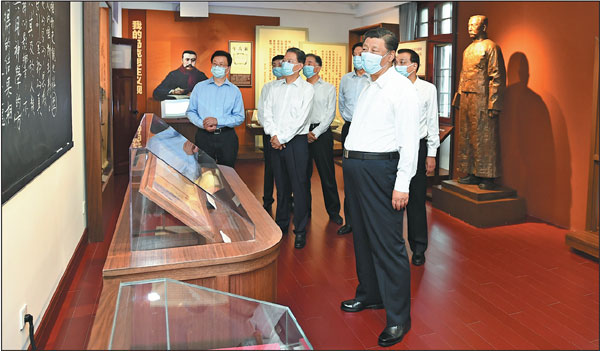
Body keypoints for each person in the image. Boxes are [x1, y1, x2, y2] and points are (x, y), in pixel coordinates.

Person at [340, 28, 419, 347]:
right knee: (361, 236)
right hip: (356, 167)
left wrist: (402, 184)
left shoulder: (401, 88)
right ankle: (370, 294)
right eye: (363, 50)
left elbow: (410, 141)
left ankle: (399, 318)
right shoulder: (369, 86)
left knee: (388, 243)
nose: (365, 55)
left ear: (389, 56)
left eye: (373, 50)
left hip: (381, 169)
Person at [262, 47, 314, 249]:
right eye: (284, 60)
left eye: (289, 61)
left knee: (299, 187)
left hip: (296, 143)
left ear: (299, 66)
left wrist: (282, 137)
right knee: (281, 186)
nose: (284, 64)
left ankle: (300, 230)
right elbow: (267, 114)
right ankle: (281, 224)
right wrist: (274, 135)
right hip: (276, 141)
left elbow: (300, 120)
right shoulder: (274, 88)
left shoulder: (306, 89)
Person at [395, 48, 440, 266]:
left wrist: (431, 153)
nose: (398, 66)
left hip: (418, 146)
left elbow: (432, 122)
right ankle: (394, 245)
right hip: (393, 147)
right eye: (396, 61)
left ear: (414, 66)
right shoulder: (392, 87)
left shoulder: (427, 89)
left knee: (415, 198)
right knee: (392, 197)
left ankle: (419, 247)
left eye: (402, 62)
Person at [453, 15, 506, 190]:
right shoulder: (468, 50)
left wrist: (494, 103)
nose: (470, 27)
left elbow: (496, 76)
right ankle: (471, 172)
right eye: (468, 24)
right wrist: (458, 97)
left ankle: (487, 175)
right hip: (468, 97)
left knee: (485, 136)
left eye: (474, 25)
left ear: (484, 26)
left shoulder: (491, 47)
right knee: (467, 135)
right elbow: (462, 74)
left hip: (482, 97)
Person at [303, 53, 343, 225]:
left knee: (327, 174)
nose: (306, 66)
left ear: (318, 67)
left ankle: (333, 211)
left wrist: (316, 133)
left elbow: (330, 114)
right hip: (301, 134)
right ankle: (305, 211)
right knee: (303, 176)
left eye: (310, 63)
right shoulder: (298, 87)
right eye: (304, 63)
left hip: (321, 133)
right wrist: (304, 131)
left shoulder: (328, 88)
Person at [186, 50, 244, 167]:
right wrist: (203, 124)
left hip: (227, 137)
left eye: (221, 64)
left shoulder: (234, 90)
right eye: (215, 64)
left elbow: (239, 117)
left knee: (228, 173)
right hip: (204, 137)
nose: (217, 67)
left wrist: (218, 121)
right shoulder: (199, 87)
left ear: (227, 69)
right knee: (204, 173)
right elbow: (191, 111)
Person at [336, 42, 370, 235]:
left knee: (366, 177)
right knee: (349, 175)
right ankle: (350, 221)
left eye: (361, 54)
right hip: (350, 128)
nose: (357, 57)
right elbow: (341, 102)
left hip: (369, 130)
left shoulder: (373, 79)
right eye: (354, 54)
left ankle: (366, 221)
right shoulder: (346, 79)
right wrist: (349, 120)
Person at [257, 54, 286, 214]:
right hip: (270, 133)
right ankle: (267, 199)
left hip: (287, 135)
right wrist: (272, 133)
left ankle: (287, 199)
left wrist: (281, 135)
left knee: (286, 170)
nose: (276, 67)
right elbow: (262, 111)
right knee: (269, 168)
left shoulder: (294, 87)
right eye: (273, 65)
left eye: (280, 64)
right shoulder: (268, 87)